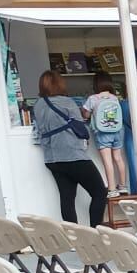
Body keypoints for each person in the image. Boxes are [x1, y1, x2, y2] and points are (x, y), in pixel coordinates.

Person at [30, 71, 107, 225]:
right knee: (99, 192)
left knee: (67, 197)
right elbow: (80, 121)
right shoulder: (67, 102)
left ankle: (74, 236)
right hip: (73, 155)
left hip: (52, 159)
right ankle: (95, 231)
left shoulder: (38, 105)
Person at [83, 73, 128, 195]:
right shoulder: (114, 97)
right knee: (118, 158)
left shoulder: (92, 99)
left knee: (108, 161)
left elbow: (86, 115)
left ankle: (112, 189)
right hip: (118, 130)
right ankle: (123, 186)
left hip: (103, 131)